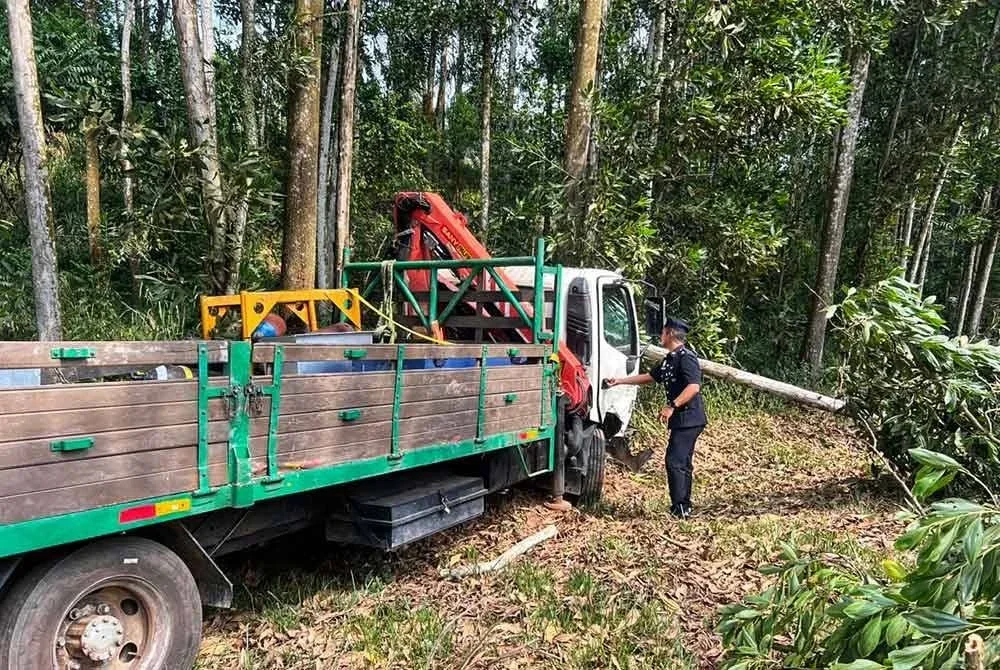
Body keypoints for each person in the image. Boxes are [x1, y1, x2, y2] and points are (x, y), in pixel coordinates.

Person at [604, 317, 707, 518]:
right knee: (681, 461)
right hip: (682, 420)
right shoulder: (671, 359)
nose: (660, 336)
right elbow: (651, 377)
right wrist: (620, 381)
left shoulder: (686, 357)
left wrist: (672, 406)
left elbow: (694, 387)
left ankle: (681, 508)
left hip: (690, 418)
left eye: (662, 332)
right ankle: (683, 505)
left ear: (669, 334)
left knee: (675, 461)